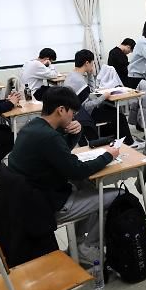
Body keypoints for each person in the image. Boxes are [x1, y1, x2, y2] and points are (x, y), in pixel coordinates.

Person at [8, 86, 120, 266]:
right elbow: (77, 170)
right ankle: (87, 247)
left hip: (30, 200)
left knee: (87, 187)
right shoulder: (48, 137)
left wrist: (74, 133)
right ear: (61, 110)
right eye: (72, 113)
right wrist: (108, 156)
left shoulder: (33, 126)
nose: (73, 117)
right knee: (116, 196)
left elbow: (59, 155)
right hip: (47, 206)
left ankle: (79, 244)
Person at [64, 49, 134, 145]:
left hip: (76, 114)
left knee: (109, 109)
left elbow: (91, 91)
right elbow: (86, 106)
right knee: (119, 116)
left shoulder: (72, 75)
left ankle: (112, 138)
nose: (93, 66)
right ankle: (128, 143)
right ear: (87, 63)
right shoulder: (79, 81)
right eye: (92, 63)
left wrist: (90, 75)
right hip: (85, 115)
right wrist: (103, 97)